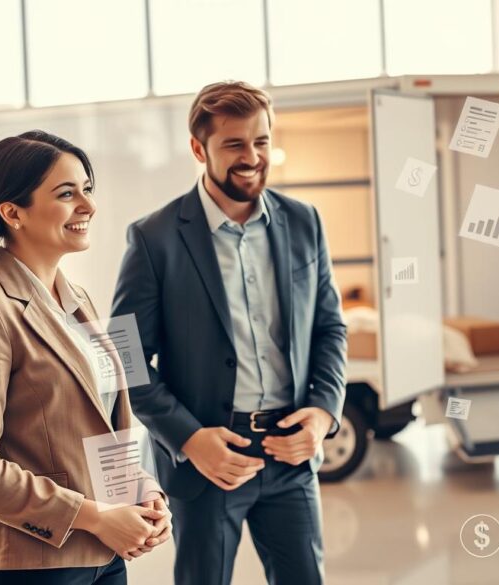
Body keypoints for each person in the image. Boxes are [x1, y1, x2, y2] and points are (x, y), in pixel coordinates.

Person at [112, 81, 348, 585]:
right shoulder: (154, 238)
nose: (252, 157)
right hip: (209, 460)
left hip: (291, 452)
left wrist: (323, 414)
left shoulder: (305, 222)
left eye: (261, 142)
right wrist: (190, 439)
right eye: (235, 144)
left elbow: (329, 327)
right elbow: (124, 360)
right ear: (199, 149)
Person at [0, 130, 172, 585]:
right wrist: (93, 516)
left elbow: (102, 423)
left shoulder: (81, 301)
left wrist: (142, 490)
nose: (88, 206)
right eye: (67, 193)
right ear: (13, 213)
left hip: (105, 558)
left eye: (87, 190)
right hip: (29, 567)